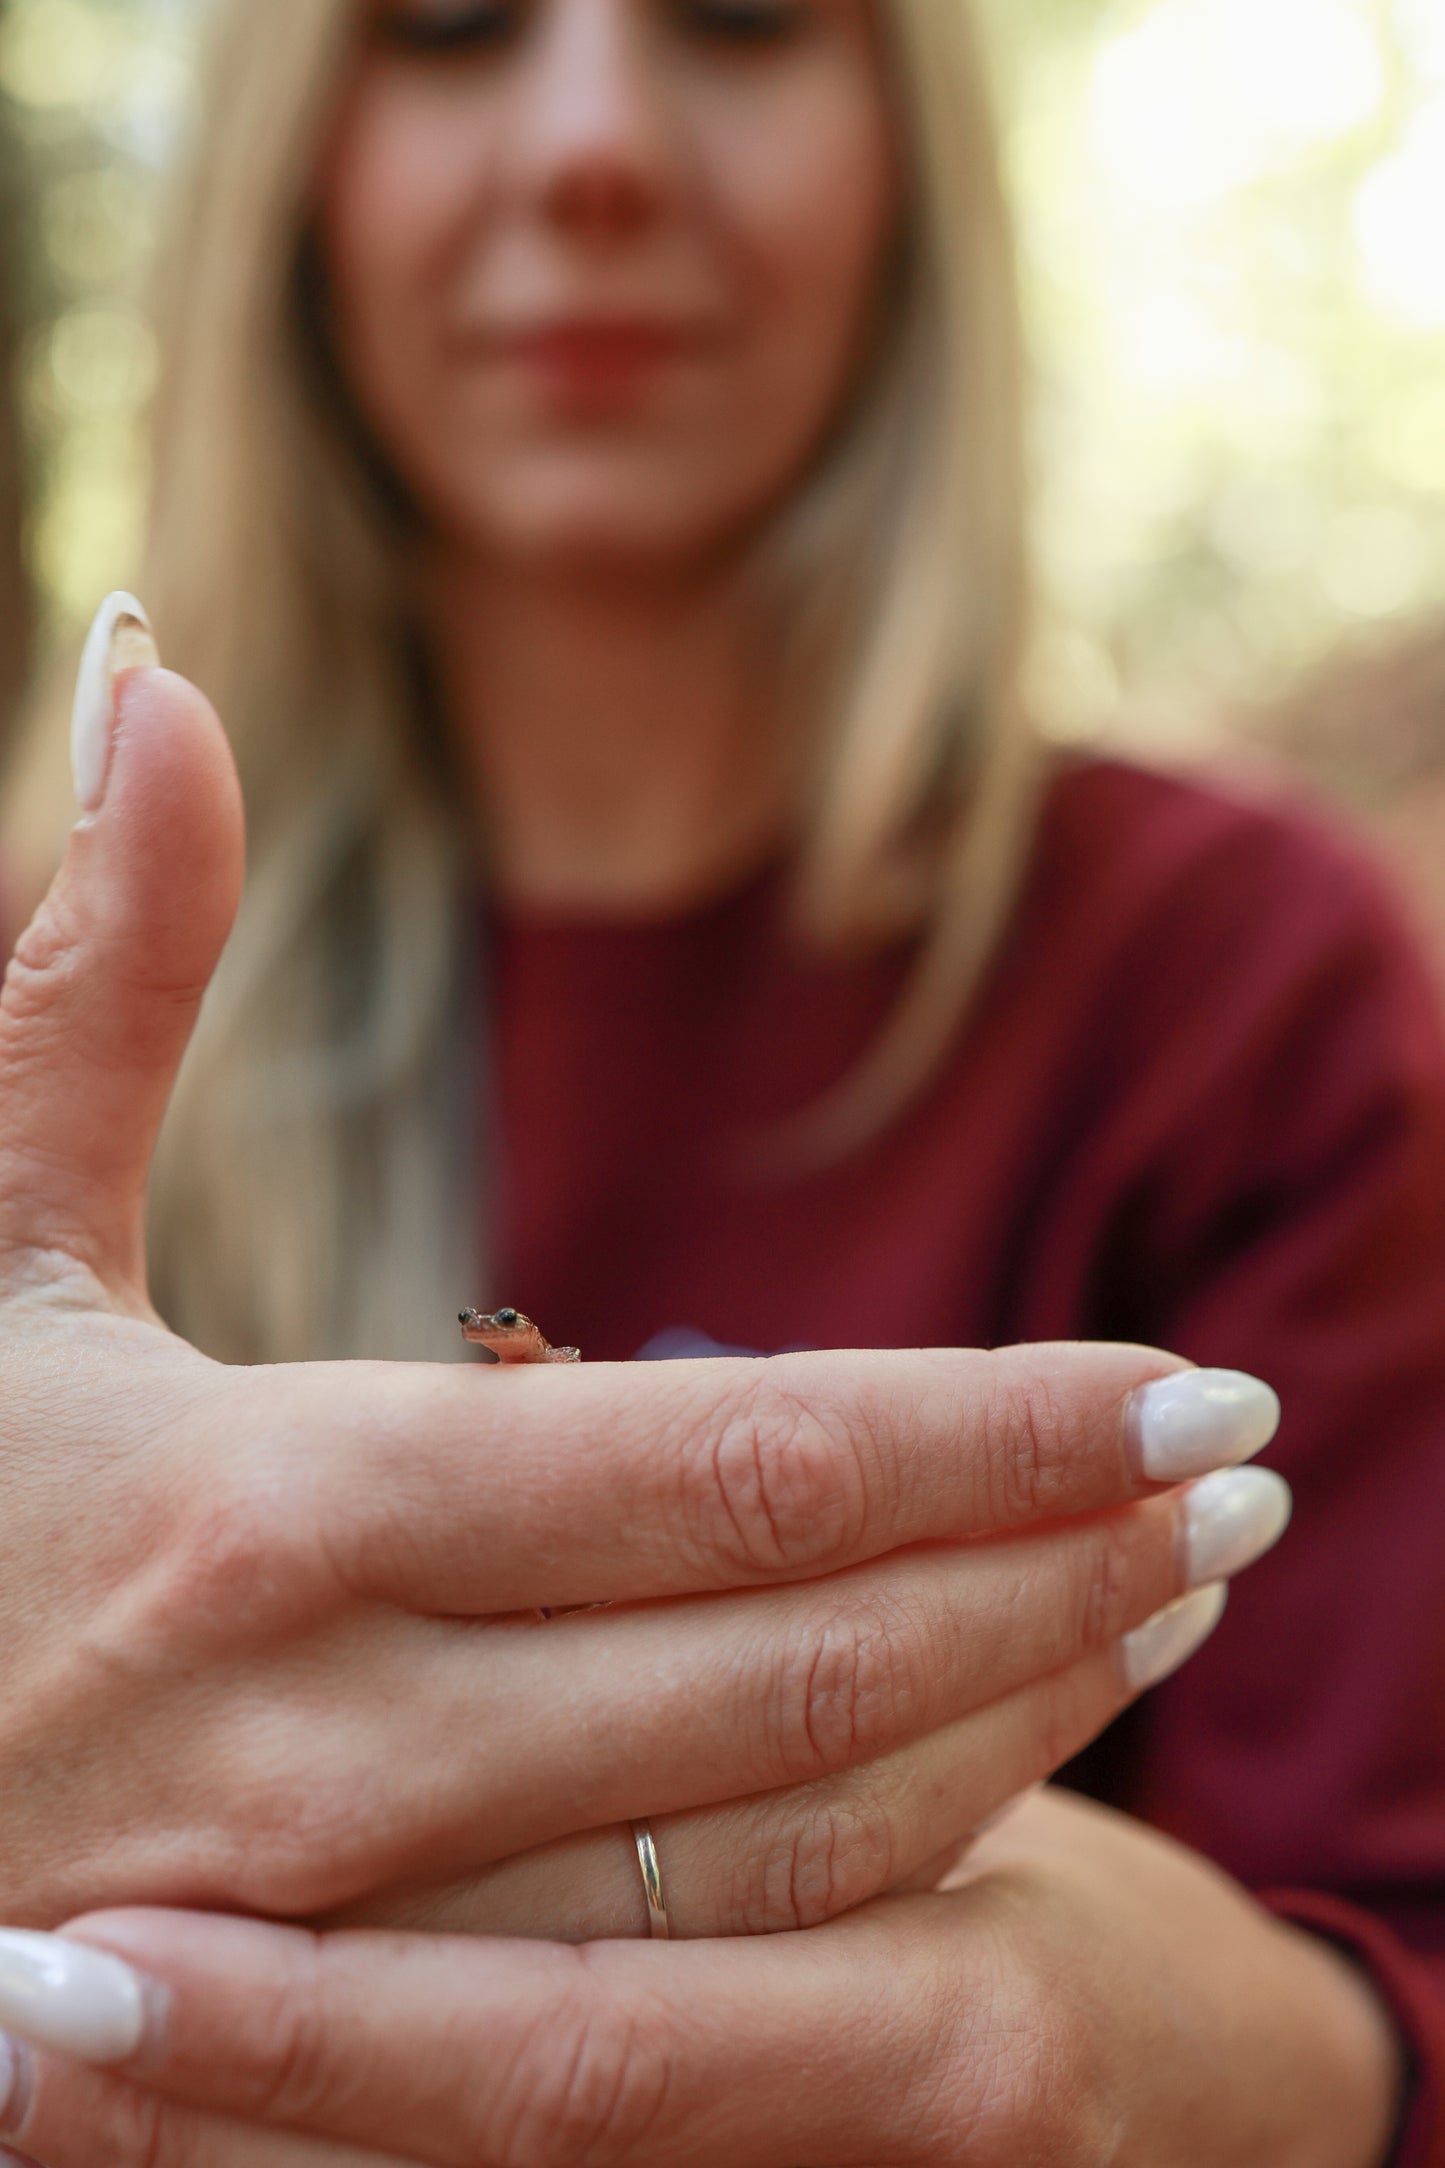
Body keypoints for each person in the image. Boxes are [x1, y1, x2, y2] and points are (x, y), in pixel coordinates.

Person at [0, 0, 1440, 2158]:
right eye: (452, 28)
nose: (596, 151)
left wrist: (1206, 2047)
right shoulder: (44, 1002)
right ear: (288, 173)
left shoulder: (1245, 990)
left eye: (746, 18)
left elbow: (1401, 1950)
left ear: (905, 156)